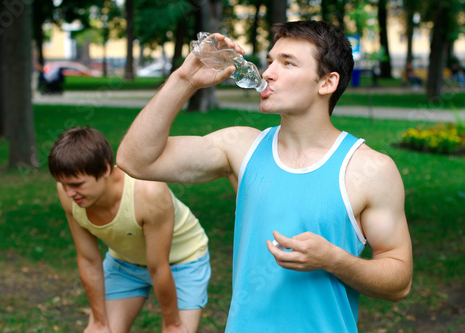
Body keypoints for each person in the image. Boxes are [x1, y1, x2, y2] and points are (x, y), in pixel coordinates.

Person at [116, 20, 413, 332]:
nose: (268, 72)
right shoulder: (240, 147)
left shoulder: (370, 169)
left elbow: (399, 282)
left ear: (327, 82)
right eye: (270, 60)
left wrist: (333, 260)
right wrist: (184, 79)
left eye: (287, 63)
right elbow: (135, 160)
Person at [48, 127, 210, 333]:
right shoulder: (68, 193)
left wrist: (172, 324)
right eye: (63, 184)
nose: (69, 192)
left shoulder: (148, 193)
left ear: (105, 169)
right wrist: (99, 322)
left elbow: (158, 267)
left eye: (77, 184)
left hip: (183, 262)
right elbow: (88, 259)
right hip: (125, 263)